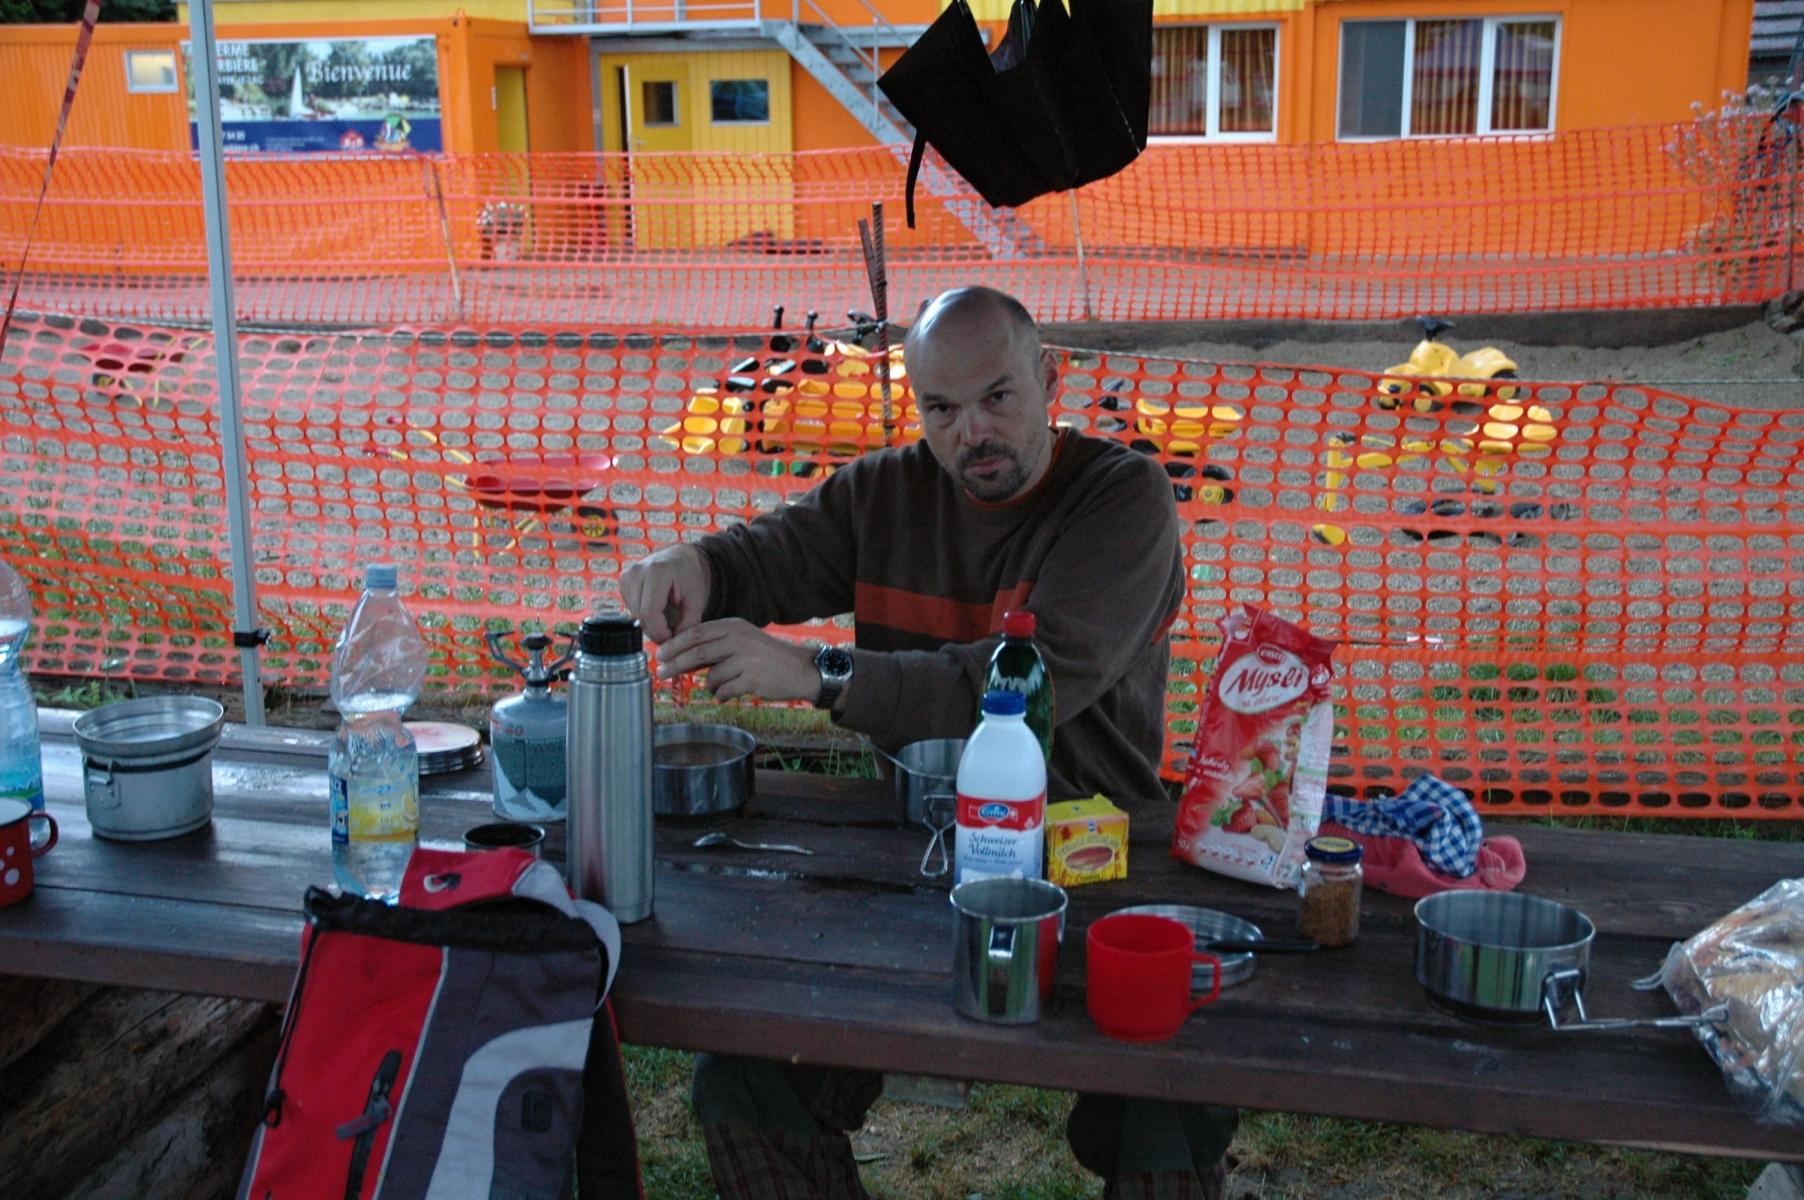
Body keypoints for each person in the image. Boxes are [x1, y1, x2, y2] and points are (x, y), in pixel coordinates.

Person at [619, 286, 1235, 1200]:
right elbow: (768, 556)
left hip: (1094, 857)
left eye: (998, 397)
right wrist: (694, 566)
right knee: (749, 1085)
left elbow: (1019, 687)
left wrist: (821, 674)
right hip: (916, 858)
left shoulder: (1123, 498)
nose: (970, 433)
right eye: (941, 409)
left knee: (1167, 1115)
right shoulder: (888, 491)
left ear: (1050, 379)